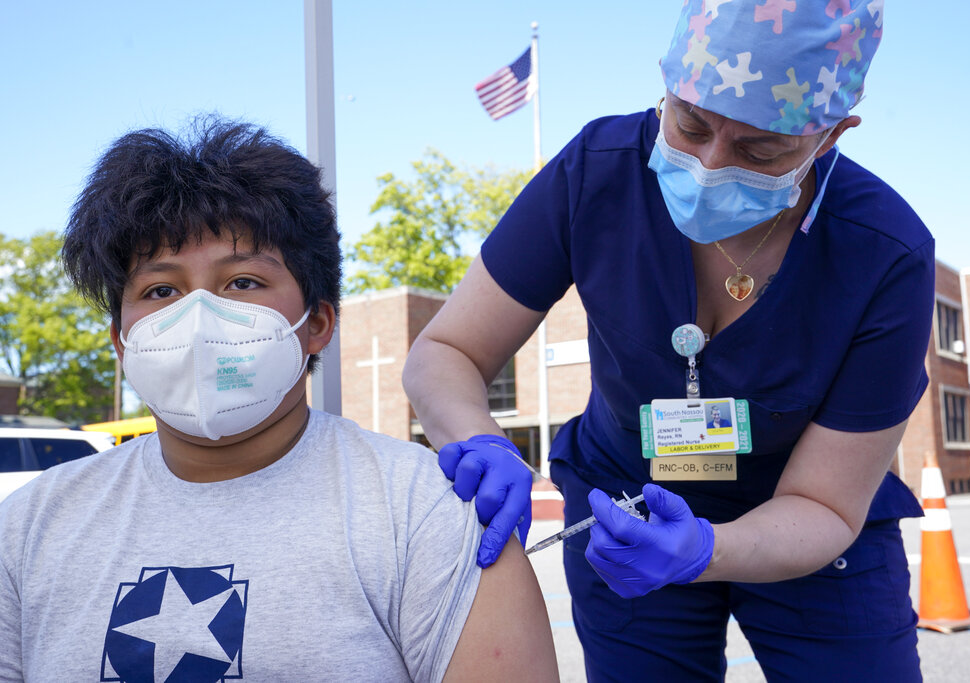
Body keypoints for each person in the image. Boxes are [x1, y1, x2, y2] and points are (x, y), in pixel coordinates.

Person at [403, 2, 933, 681]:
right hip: (624, 512)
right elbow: (444, 353)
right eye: (690, 122)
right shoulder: (597, 173)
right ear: (667, 83)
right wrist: (475, 437)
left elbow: (825, 503)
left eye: (759, 148)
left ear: (829, 137)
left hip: (813, 537)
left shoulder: (885, 255)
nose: (709, 164)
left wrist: (706, 547)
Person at [0, 118, 558, 682]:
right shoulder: (28, 530)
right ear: (122, 341)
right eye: (160, 290)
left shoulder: (427, 514)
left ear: (316, 323)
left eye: (242, 282)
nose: (197, 317)